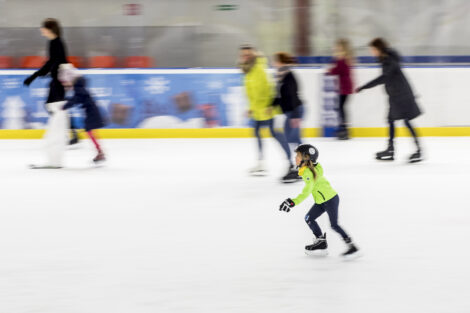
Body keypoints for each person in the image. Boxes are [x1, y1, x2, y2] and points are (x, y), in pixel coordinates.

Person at [279, 144, 359, 258]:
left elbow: (306, 192)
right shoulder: (311, 168)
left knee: (334, 225)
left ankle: (352, 246)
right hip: (321, 201)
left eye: (298, 156)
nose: (295, 158)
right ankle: (321, 242)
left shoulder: (308, 173)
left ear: (306, 158)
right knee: (309, 218)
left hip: (330, 199)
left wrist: (293, 202)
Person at [356, 38, 422, 162]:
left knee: (407, 121)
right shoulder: (386, 59)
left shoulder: (389, 61)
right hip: (396, 96)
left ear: (378, 49)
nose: (371, 52)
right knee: (391, 119)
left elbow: (384, 78)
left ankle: (419, 150)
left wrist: (364, 87)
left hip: (402, 95)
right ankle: (390, 149)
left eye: (372, 50)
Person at [239, 45, 296, 182]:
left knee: (276, 134)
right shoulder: (248, 71)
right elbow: (251, 93)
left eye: (248, 54)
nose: (245, 57)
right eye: (243, 55)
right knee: (257, 132)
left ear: (253, 55)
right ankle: (261, 163)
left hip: (267, 110)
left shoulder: (259, 70)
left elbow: (270, 89)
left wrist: (270, 106)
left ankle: (290, 163)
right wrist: (251, 108)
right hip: (258, 110)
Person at [23, 18, 80, 145]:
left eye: (43, 28)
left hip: (59, 80)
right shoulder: (54, 42)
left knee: (55, 107)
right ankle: (71, 133)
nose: (41, 30)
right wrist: (41, 73)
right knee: (54, 106)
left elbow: (56, 61)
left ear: (49, 29)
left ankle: (69, 133)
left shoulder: (57, 42)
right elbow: (53, 62)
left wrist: (36, 75)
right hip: (57, 79)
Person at [58, 64, 106, 163]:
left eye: (65, 82)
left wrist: (65, 106)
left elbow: (77, 98)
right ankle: (99, 152)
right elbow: (77, 98)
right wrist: (67, 101)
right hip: (90, 111)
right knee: (89, 131)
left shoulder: (78, 87)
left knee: (89, 131)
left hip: (91, 112)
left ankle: (100, 152)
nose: (65, 85)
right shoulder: (79, 86)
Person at [271, 52, 304, 149]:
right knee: (291, 137)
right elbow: (279, 95)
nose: (273, 63)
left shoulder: (288, 76)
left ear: (280, 62)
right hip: (291, 111)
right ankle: (305, 159)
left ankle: (307, 159)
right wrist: (271, 106)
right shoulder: (280, 75)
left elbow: (292, 95)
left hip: (295, 110)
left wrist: (295, 116)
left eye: (275, 61)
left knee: (292, 138)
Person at [327, 39, 354, 140]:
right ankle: (343, 127)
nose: (336, 49)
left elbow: (337, 70)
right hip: (344, 87)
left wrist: (330, 69)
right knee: (340, 107)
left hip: (344, 87)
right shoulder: (343, 59)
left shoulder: (343, 59)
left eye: (338, 48)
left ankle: (344, 128)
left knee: (340, 107)